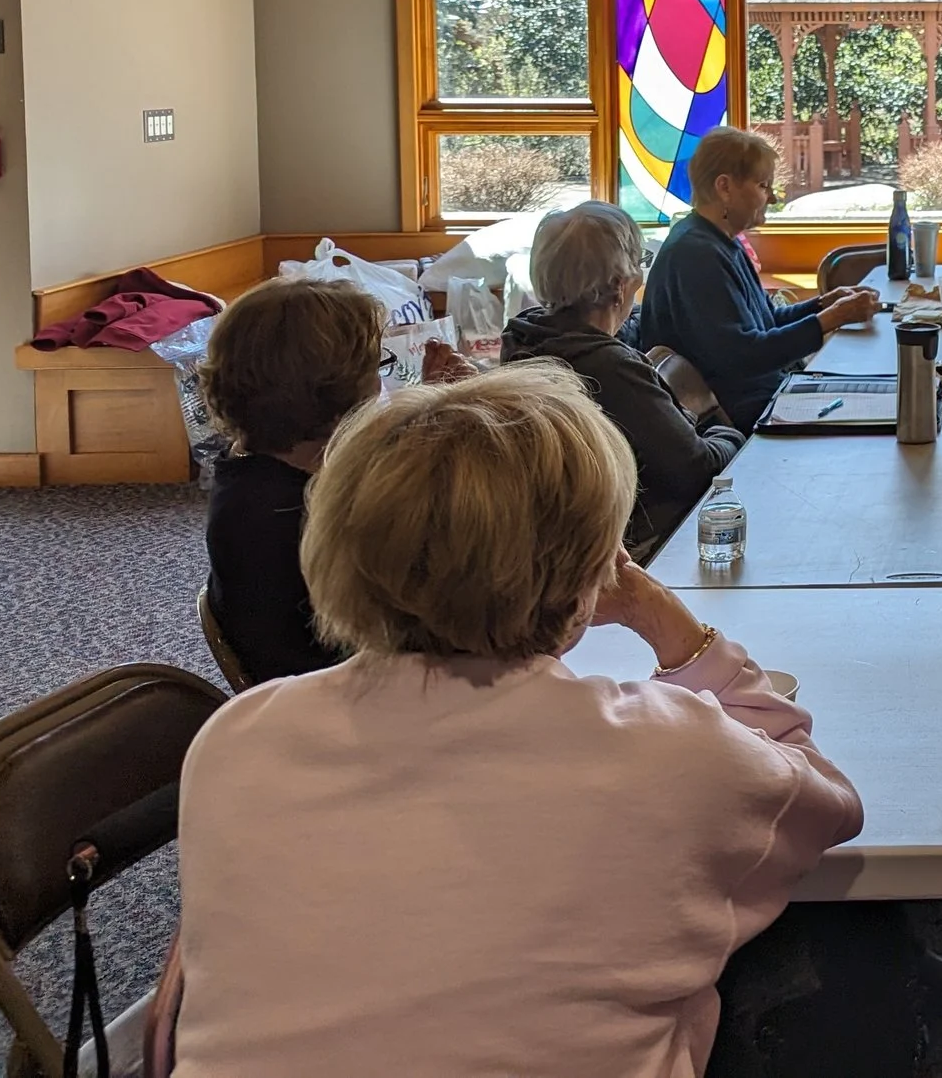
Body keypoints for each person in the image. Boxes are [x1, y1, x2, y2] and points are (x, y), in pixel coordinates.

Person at [171, 362, 865, 1074]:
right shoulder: (666, 749)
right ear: (592, 574)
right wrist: (670, 624)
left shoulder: (234, 739)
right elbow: (828, 803)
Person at [505, 200, 743, 560]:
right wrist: (731, 432)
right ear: (619, 286)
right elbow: (697, 470)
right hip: (628, 546)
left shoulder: (524, 338)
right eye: (640, 265)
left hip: (552, 545)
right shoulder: (610, 369)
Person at [197, 277, 384, 684]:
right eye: (377, 367)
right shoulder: (298, 517)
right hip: (343, 699)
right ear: (338, 396)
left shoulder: (250, 470)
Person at [634, 127, 881, 435]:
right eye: (764, 185)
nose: (774, 197)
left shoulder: (723, 240)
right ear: (724, 187)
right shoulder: (695, 254)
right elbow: (744, 355)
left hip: (767, 396)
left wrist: (824, 304)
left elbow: (767, 320)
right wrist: (831, 319)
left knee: (878, 387)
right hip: (747, 414)